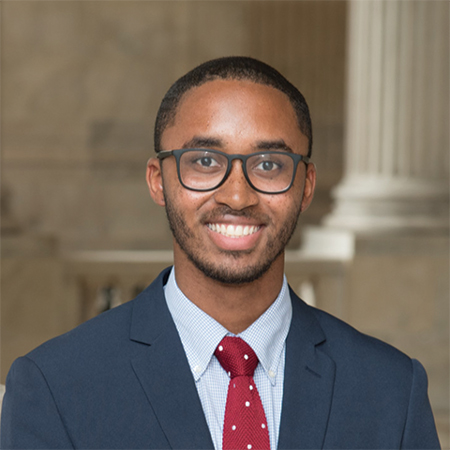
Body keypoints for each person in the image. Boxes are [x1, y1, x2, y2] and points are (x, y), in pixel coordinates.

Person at [1, 57, 440, 450]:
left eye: (269, 164)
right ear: (158, 181)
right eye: (205, 162)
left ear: (305, 186)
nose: (237, 195)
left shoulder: (391, 391)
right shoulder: (54, 387)